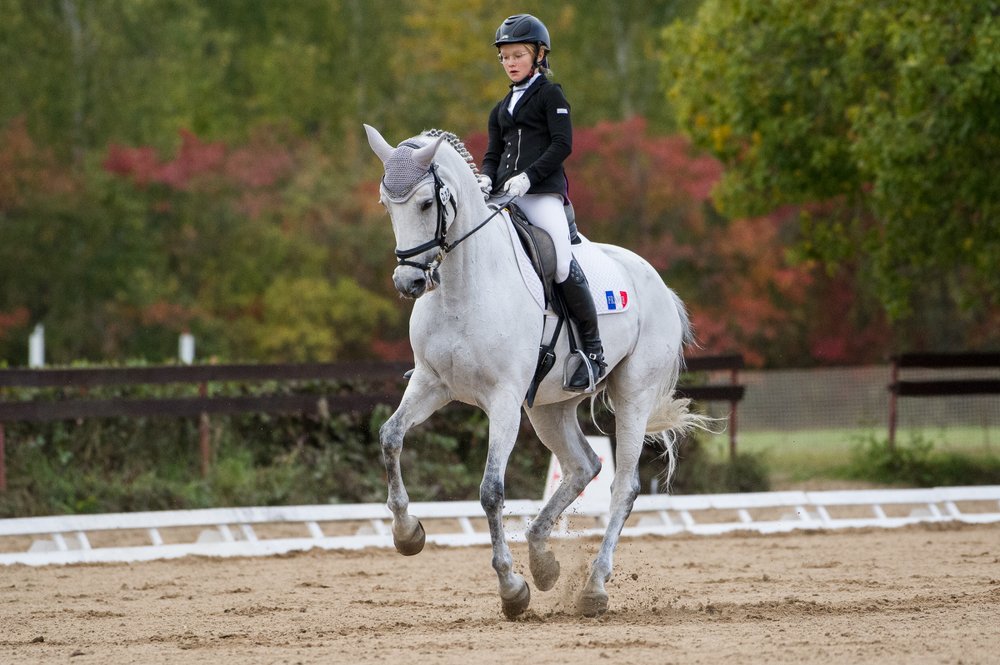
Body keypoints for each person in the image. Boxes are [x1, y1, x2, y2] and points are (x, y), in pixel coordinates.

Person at [479, 13, 606, 393]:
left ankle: (593, 351)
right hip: (504, 197)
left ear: (538, 55)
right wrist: (485, 177)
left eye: (518, 55)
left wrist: (529, 177)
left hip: (541, 195)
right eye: (505, 57)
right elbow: (492, 154)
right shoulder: (500, 108)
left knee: (561, 264)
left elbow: (562, 144)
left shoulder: (551, 95)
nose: (510, 62)